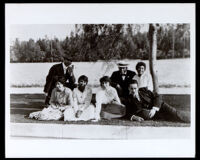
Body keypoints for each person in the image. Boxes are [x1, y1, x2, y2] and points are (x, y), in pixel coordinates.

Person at [124, 79, 190, 123]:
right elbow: (127, 113)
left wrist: (154, 109)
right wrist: (134, 117)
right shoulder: (128, 99)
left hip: (159, 106)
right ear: (128, 88)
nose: (133, 90)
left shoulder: (144, 91)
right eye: (131, 88)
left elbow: (157, 96)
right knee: (172, 118)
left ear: (138, 88)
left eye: (135, 88)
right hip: (154, 116)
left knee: (176, 114)